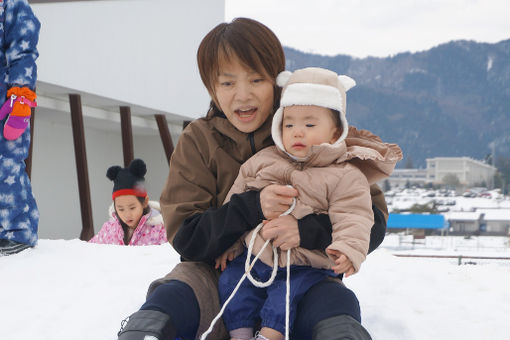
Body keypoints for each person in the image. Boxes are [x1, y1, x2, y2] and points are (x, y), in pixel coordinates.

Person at [117, 18, 391, 340]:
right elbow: (186, 236)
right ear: (211, 87)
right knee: (173, 295)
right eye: (227, 83)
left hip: (300, 274)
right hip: (217, 275)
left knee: (333, 302)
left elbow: (370, 220)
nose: (242, 96)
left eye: (256, 80)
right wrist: (251, 208)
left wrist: (305, 231)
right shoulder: (199, 139)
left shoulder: (311, 128)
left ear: (276, 83)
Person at [215, 67, 401, 340]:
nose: (297, 132)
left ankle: (269, 336)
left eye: (309, 125)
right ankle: (240, 333)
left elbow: (354, 215)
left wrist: (348, 248)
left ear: (335, 130)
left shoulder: (345, 174)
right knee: (232, 281)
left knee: (285, 295)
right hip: (257, 255)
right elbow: (235, 199)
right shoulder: (263, 161)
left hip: (305, 264)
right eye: (289, 124)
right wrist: (228, 242)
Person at [0, 0, 41, 256]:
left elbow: (23, 50)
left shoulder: (11, 5)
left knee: (7, 165)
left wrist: (21, 96)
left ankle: (18, 230)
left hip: (8, 101)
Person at [89, 159, 167, 246]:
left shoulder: (159, 229)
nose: (127, 214)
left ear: (144, 202)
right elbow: (90, 249)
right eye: (121, 209)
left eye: (132, 208)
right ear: (115, 207)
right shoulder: (109, 230)